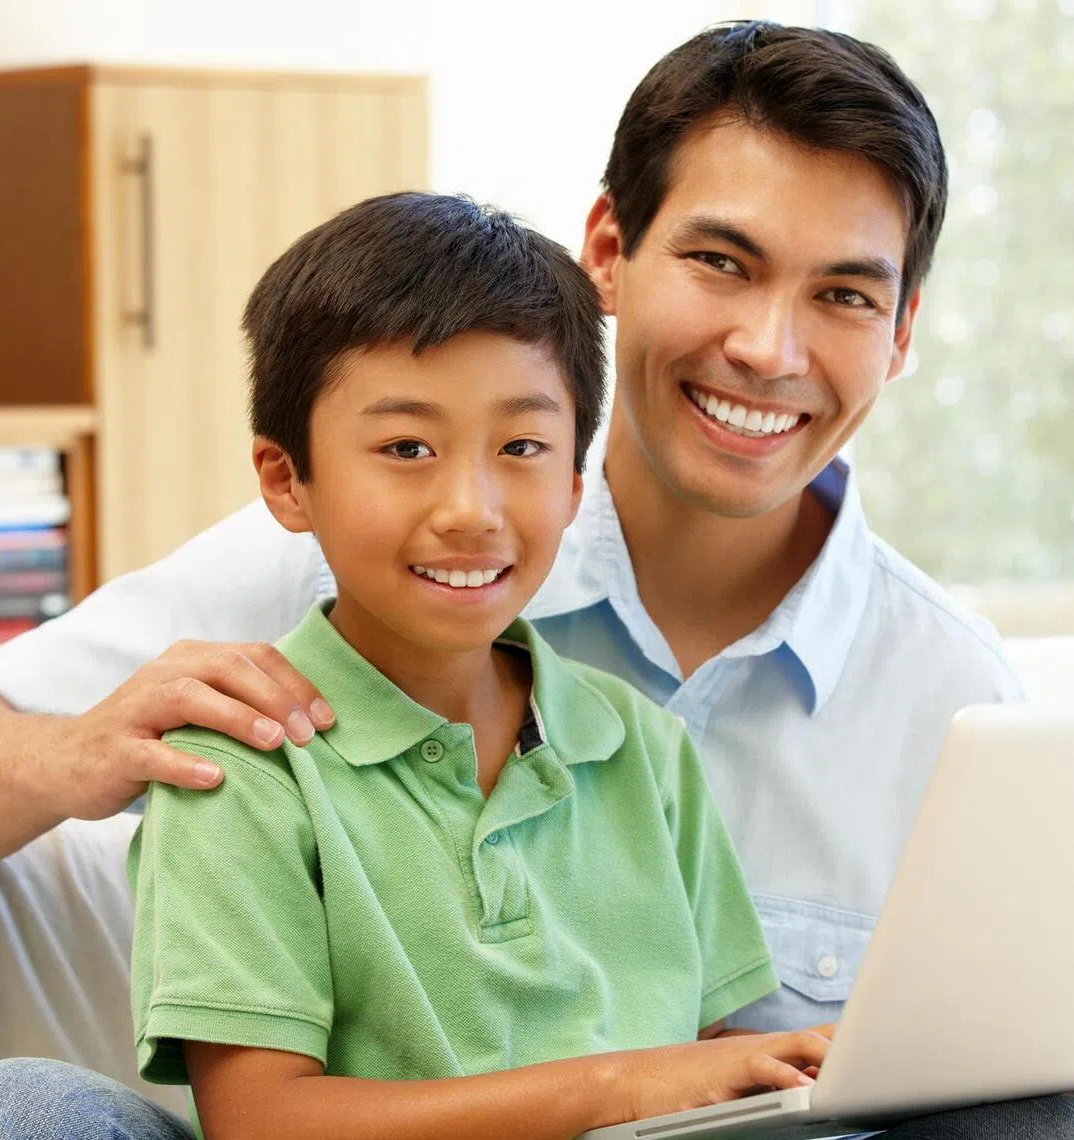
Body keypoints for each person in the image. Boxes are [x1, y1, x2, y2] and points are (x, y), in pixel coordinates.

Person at [0, 20, 1068, 1140]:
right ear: (611, 252)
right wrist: (73, 753)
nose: (769, 348)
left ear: (904, 330)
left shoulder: (943, 695)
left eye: (846, 295)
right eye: (723, 263)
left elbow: (767, 1069)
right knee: (17, 1114)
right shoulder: (332, 551)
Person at [129, 187, 836, 1139]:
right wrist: (616, 1087)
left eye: (522, 446)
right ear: (287, 480)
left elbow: (712, 1073)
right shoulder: (242, 768)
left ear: (575, 481)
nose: (472, 507)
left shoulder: (644, 750)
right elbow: (262, 1121)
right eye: (407, 446)